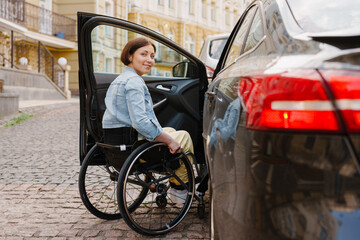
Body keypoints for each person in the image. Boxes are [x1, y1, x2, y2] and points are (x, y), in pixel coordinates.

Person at [102, 37, 193, 201]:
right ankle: (179, 189)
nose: (149, 60)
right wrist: (170, 142)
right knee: (184, 136)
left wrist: (165, 135)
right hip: (135, 144)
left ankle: (177, 179)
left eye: (152, 56)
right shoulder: (134, 82)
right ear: (130, 56)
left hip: (117, 141)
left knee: (171, 131)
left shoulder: (119, 80)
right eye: (143, 54)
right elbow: (141, 123)